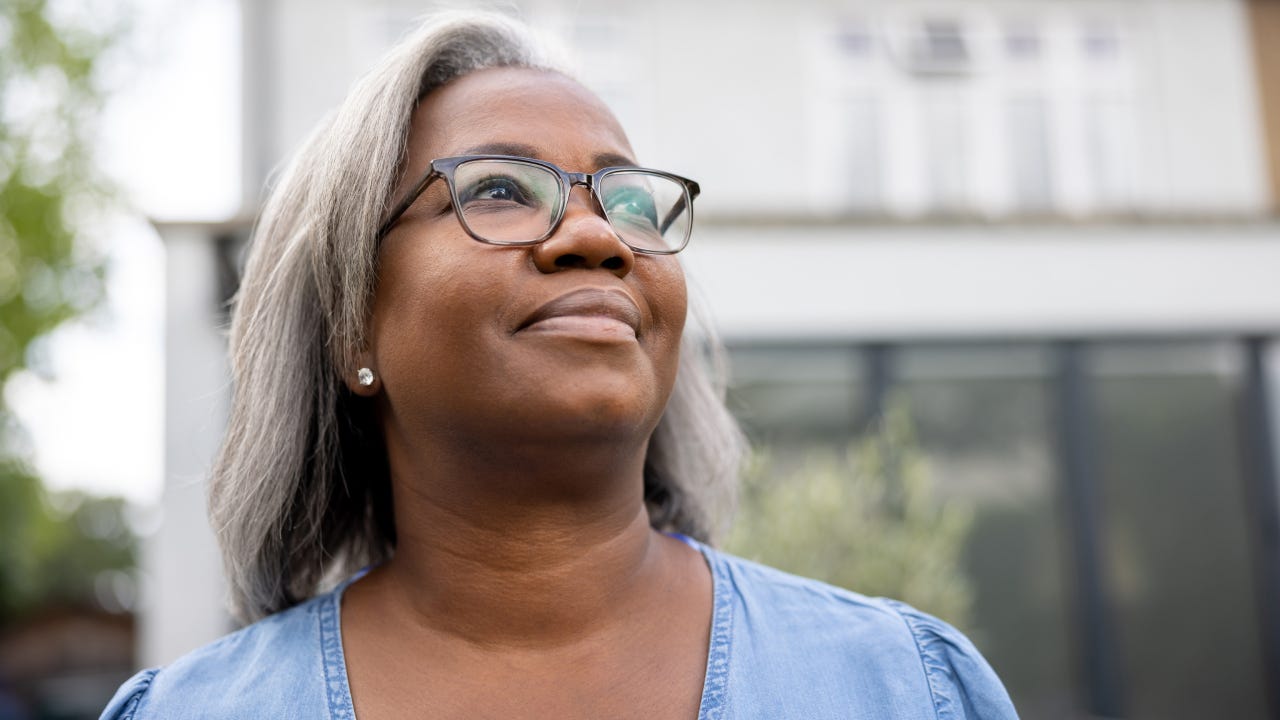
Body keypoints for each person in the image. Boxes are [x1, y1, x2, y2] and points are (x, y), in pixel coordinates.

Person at [102, 10, 1017, 720]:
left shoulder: (906, 686)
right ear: (352, 332)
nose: (596, 233)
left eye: (629, 201)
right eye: (499, 188)